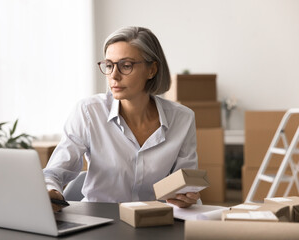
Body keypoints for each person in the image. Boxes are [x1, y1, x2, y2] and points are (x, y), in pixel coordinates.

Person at [43, 26, 200, 212]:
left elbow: (186, 183)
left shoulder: (182, 119)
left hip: (152, 222)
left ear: (152, 70)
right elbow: (54, 172)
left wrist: (186, 195)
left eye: (126, 65)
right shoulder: (88, 112)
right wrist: (50, 190)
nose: (114, 76)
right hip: (99, 221)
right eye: (109, 65)